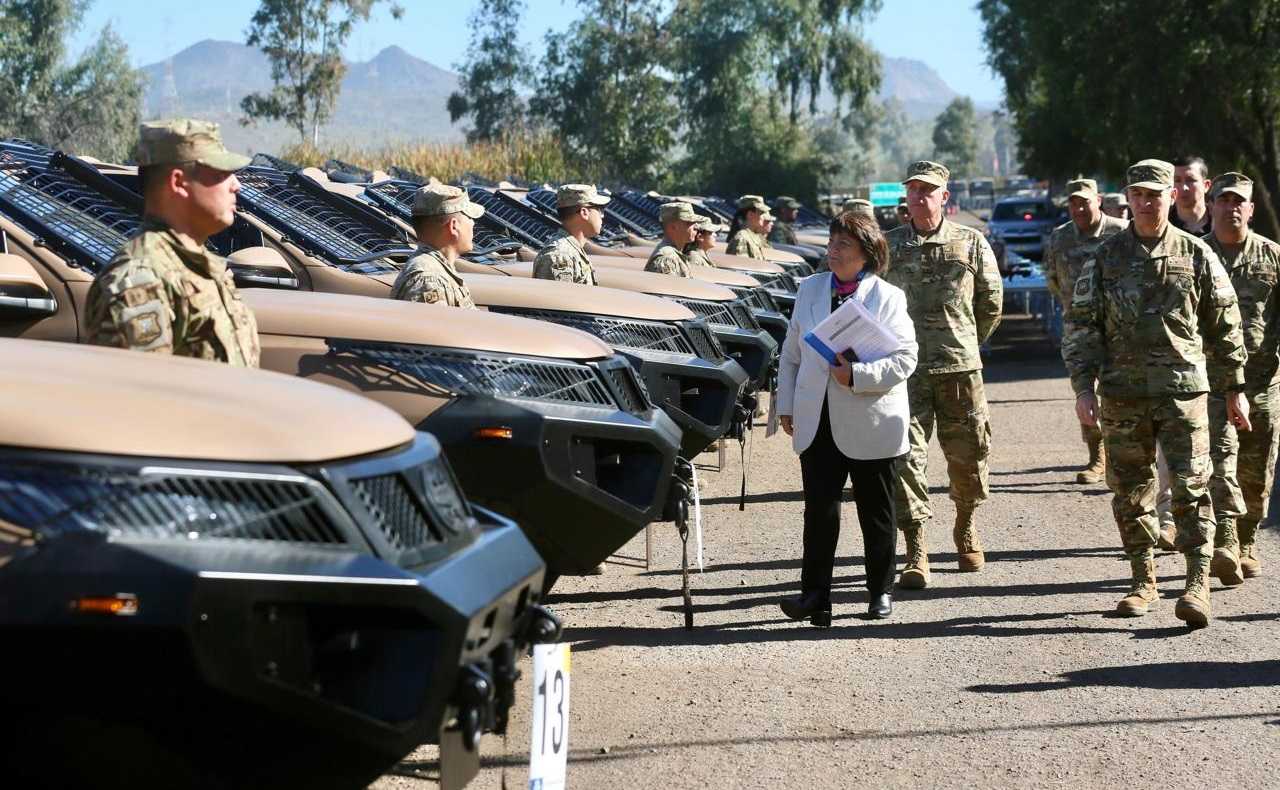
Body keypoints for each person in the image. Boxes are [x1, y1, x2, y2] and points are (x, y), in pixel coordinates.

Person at [1064, 158, 1247, 627]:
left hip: (1184, 393)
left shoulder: (1195, 253)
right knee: (1131, 491)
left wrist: (1235, 388)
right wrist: (1084, 387)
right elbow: (1083, 325)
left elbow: (1225, 325)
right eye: (1138, 195)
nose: (1146, 203)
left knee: (1191, 488)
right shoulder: (1105, 258)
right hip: (1123, 394)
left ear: (1172, 196)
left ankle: (1196, 582)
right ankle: (1142, 580)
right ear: (1127, 199)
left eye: (1155, 194)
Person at [776, 211, 918, 624]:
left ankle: (879, 592)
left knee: (876, 512)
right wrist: (786, 405)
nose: (832, 251)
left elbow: (905, 359)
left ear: (866, 253)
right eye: (832, 243)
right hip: (816, 418)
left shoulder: (888, 297)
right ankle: (814, 597)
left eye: (843, 245)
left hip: (871, 420)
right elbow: (792, 354)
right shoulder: (810, 289)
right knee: (819, 512)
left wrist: (856, 375)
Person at [883, 160, 1003, 588]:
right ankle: (915, 548)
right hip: (904, 372)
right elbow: (872, 303)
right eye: (913, 190)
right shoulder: (889, 246)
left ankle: (965, 524)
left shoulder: (971, 243)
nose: (918, 197)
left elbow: (991, 304)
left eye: (927, 190)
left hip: (959, 371)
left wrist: (965, 340)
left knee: (968, 457)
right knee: (904, 459)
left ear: (944, 197)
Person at [86, 119, 259, 367]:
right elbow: (145, 396)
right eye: (220, 174)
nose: (236, 185)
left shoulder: (203, 265)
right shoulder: (140, 281)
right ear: (178, 182)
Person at [1202, 172, 1280, 584]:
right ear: (1210, 205)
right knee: (1219, 461)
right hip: (1210, 384)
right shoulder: (1197, 255)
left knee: (1256, 468)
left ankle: (1246, 540)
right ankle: (1226, 538)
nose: (1231, 207)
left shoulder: (1272, 256)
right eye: (1223, 200)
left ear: (1251, 209)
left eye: (1239, 202)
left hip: (1263, 383)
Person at [1043, 178, 1128, 484]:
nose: (1079, 208)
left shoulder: (1119, 232)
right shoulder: (1060, 237)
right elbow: (1052, 277)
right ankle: (1097, 457)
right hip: (1078, 329)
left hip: (1119, 328)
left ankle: (1122, 455)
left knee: (1119, 393)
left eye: (1084, 201)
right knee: (1085, 392)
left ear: (1099, 200)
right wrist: (1076, 309)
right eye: (1073, 203)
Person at [390, 184, 485, 307]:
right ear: (454, 226)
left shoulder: (437, 270)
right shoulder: (428, 280)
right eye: (469, 217)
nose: (473, 223)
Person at [532, 184, 609, 285]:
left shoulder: (571, 251)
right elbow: (558, 299)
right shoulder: (559, 256)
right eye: (599, 209)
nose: (602, 216)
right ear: (584, 213)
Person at [645, 201, 699, 277]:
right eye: (689, 223)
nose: (696, 227)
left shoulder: (674, 254)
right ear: (673, 227)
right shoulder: (666, 259)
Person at [1170, 155, 1213, 235]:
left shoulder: (1220, 223)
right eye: (1177, 180)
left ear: (1206, 185)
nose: (1184, 187)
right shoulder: (1161, 224)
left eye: (1190, 180)